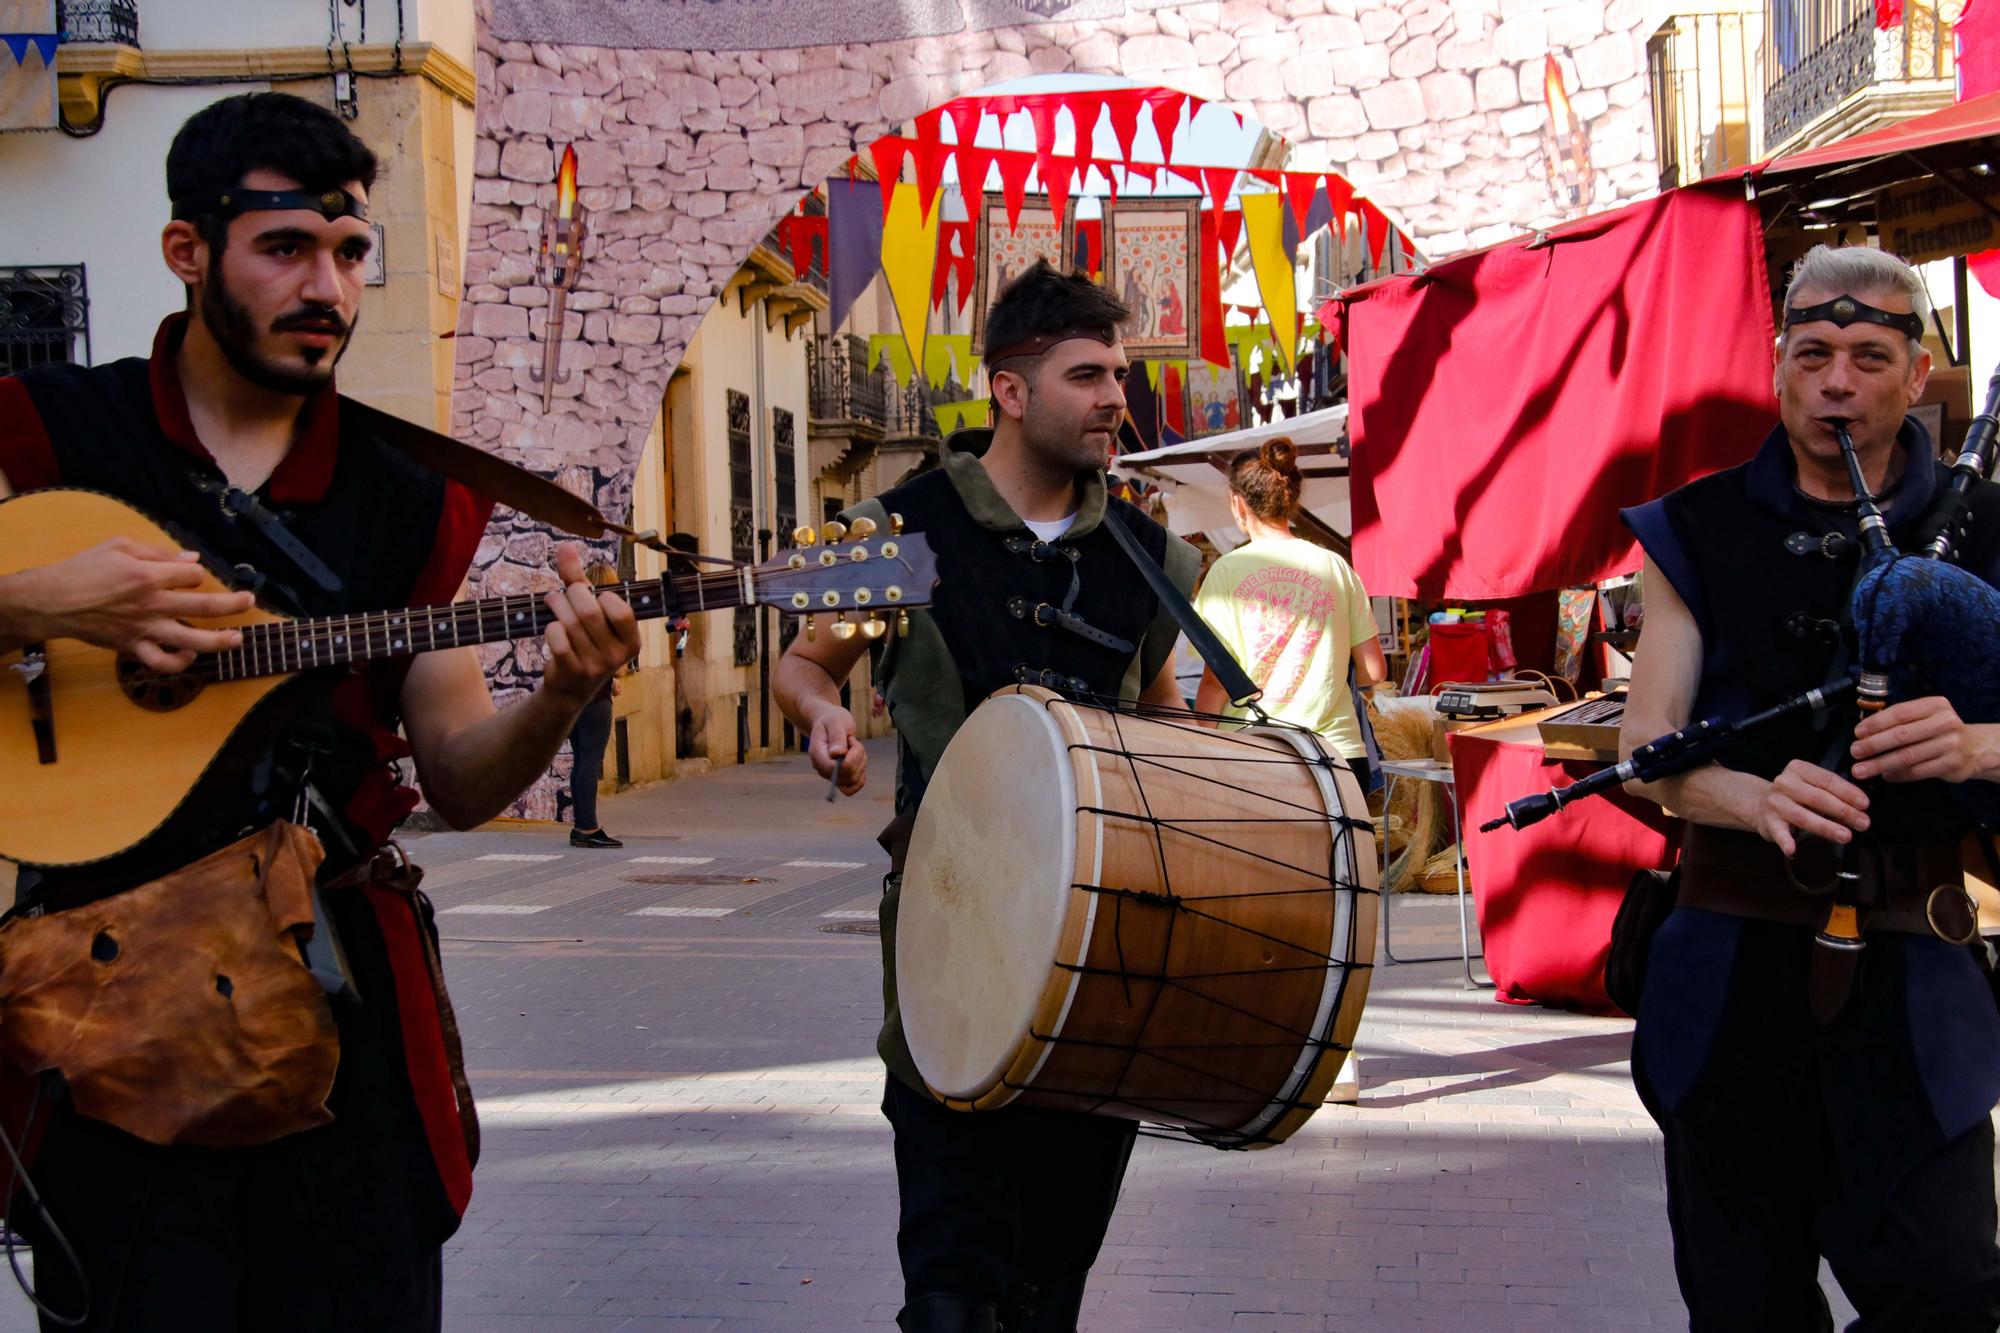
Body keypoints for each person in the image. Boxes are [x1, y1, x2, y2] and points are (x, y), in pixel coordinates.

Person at [0, 92, 639, 1330]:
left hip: (336, 1015)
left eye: (350, 254)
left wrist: (563, 688)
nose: (329, 289)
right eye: (285, 248)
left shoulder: (403, 490)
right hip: (106, 1011)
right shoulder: (53, 431)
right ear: (189, 253)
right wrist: (38, 601)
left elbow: (455, 775)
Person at [774, 260, 1196, 1333]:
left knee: (1048, 1288)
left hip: (1098, 953)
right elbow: (802, 660)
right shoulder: (890, 527)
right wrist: (824, 715)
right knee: (952, 1289)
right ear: (1009, 390)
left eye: (1119, 374)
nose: (1115, 398)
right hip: (948, 931)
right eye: (1087, 374)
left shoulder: (1150, 557)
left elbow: (1156, 706)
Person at [1619, 243, 2000, 1328]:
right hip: (1730, 963)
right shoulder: (1692, 526)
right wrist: (1750, 797)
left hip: (1914, 965)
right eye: (1813, 350)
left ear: (1914, 375)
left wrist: (1975, 745)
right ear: (1775, 360)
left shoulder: (1990, 527)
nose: (1837, 380)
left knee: (1946, 1288)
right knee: (1743, 1305)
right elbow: (1648, 742)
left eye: (1869, 356)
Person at [1192, 438, 1385, 783]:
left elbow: (1215, 683)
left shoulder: (1224, 572)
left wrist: (1202, 748)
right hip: (1337, 751)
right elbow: (1374, 671)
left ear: (1238, 505)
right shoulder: (1335, 566)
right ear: (1291, 498)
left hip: (1256, 752)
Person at [567, 563, 625, 848]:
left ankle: (580, 824)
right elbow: (619, 663)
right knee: (590, 762)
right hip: (595, 701)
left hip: (573, 697)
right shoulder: (606, 620)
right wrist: (615, 676)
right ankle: (588, 827)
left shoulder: (575, 618)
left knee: (580, 761)